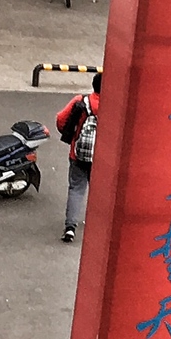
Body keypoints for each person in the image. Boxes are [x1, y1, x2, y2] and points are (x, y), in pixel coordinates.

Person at [54, 72, 100, 244]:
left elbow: (61, 119)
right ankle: (97, 224)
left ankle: (70, 228)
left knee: (76, 189)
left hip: (78, 153)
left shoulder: (82, 101)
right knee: (99, 191)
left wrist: (72, 135)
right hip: (102, 158)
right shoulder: (114, 104)